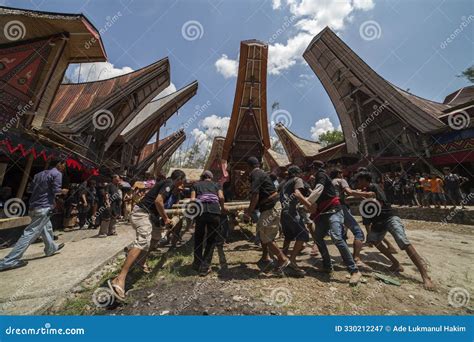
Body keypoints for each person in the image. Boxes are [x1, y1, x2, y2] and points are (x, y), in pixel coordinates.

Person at [108, 170, 186, 300]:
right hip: (142, 213)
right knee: (144, 241)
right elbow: (158, 201)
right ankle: (119, 278)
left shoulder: (173, 191)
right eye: (182, 181)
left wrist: (166, 220)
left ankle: (141, 261)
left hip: (151, 217)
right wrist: (166, 219)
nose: (182, 185)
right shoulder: (169, 183)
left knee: (156, 239)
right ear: (179, 179)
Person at [355, 171, 435, 290]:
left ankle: (425, 276)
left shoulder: (374, 187)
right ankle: (396, 264)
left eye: (359, 180)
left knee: (403, 242)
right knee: (375, 241)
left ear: (365, 180)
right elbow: (366, 218)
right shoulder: (362, 197)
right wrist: (369, 234)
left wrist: (358, 194)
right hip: (377, 223)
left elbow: (372, 196)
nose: (358, 183)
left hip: (389, 217)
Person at [0, 161, 67, 271]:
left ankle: (51, 248)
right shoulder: (57, 174)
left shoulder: (38, 175)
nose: (64, 168)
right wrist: (63, 191)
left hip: (33, 206)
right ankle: (9, 261)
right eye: (64, 165)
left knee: (46, 227)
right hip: (43, 207)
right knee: (30, 233)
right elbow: (56, 191)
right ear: (59, 164)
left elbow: (30, 190)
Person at [308, 161, 362, 285]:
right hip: (324, 212)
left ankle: (354, 271)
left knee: (337, 237)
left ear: (314, 169)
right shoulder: (319, 178)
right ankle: (327, 265)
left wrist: (307, 200)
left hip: (333, 211)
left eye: (311, 169)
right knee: (317, 237)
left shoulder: (320, 174)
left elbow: (318, 190)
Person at [243, 156, 290, 275]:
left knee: (265, 235)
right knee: (262, 231)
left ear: (248, 167)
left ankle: (282, 259)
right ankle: (265, 256)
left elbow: (255, 195)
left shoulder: (255, 174)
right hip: (270, 206)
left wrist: (248, 212)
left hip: (270, 206)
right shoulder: (261, 173)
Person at [330, 168, 372, 268]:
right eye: (341, 173)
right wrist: (365, 194)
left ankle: (346, 259)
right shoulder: (341, 180)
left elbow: (343, 197)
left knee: (342, 235)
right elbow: (349, 192)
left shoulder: (330, 183)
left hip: (331, 209)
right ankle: (356, 258)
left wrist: (358, 196)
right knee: (358, 233)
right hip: (341, 207)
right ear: (339, 174)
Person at [190, 170, 226, 276]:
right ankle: (205, 267)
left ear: (202, 177)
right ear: (211, 177)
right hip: (214, 213)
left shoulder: (196, 185)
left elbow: (192, 200)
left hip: (201, 212)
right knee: (211, 240)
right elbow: (221, 197)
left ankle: (197, 263)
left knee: (198, 238)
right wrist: (223, 208)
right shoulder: (217, 184)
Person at [279, 165, 311, 277]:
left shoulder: (284, 183)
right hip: (291, 212)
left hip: (283, 212)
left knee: (288, 237)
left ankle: (282, 260)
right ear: (298, 173)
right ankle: (292, 261)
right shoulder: (297, 180)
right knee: (303, 235)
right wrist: (308, 204)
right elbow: (297, 193)